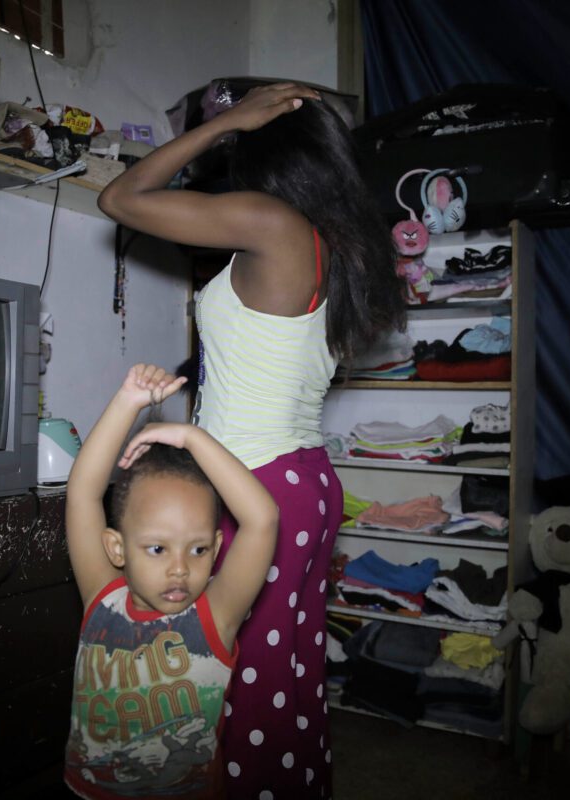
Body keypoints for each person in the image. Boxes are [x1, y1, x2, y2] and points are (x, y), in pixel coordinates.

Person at [98, 83, 406, 799]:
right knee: (288, 675)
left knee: (224, 679)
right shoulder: (339, 243)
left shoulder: (269, 220)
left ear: (265, 155)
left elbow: (122, 198)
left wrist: (228, 121)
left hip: (254, 484)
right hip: (302, 482)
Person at [63, 363, 279, 799]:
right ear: (117, 548)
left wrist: (192, 437)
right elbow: (83, 492)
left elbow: (263, 518)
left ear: (218, 548)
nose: (180, 568)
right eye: (158, 549)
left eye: (198, 549)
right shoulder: (102, 598)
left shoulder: (213, 619)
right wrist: (128, 402)